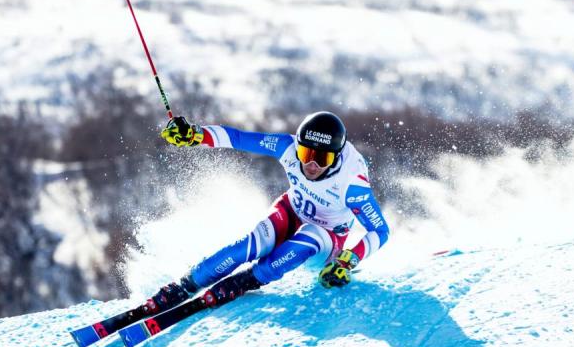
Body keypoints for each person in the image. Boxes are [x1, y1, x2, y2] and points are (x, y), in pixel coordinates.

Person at [144, 111, 390, 312]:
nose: (311, 165)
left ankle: (247, 280)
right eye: (306, 154)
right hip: (292, 210)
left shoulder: (352, 183)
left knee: (307, 237)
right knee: (251, 245)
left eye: (322, 159)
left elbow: (380, 230)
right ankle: (186, 284)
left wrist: (350, 259)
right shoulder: (287, 147)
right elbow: (239, 138)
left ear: (336, 157)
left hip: (326, 237)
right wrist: (195, 135)